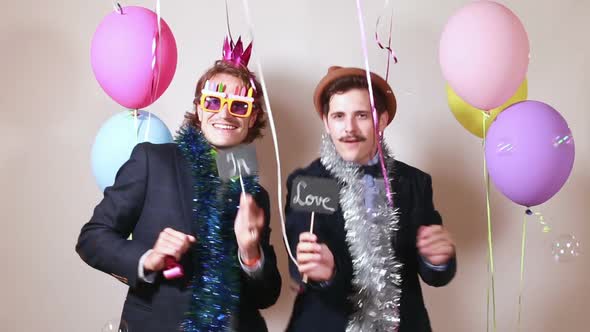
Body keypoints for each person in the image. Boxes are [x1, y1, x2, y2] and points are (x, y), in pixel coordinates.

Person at [76, 37, 281, 332]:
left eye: (238, 106)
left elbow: (266, 295)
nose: (224, 114)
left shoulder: (255, 193)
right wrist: (148, 256)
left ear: (253, 118)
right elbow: (92, 238)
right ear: (198, 109)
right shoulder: (153, 161)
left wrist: (250, 253)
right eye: (213, 101)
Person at [285, 66, 456, 331]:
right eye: (339, 116)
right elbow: (299, 267)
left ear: (382, 121)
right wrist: (323, 272)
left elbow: (435, 275)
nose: (349, 128)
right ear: (326, 123)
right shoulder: (311, 183)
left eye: (361, 115)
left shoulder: (413, 183)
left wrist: (437, 259)